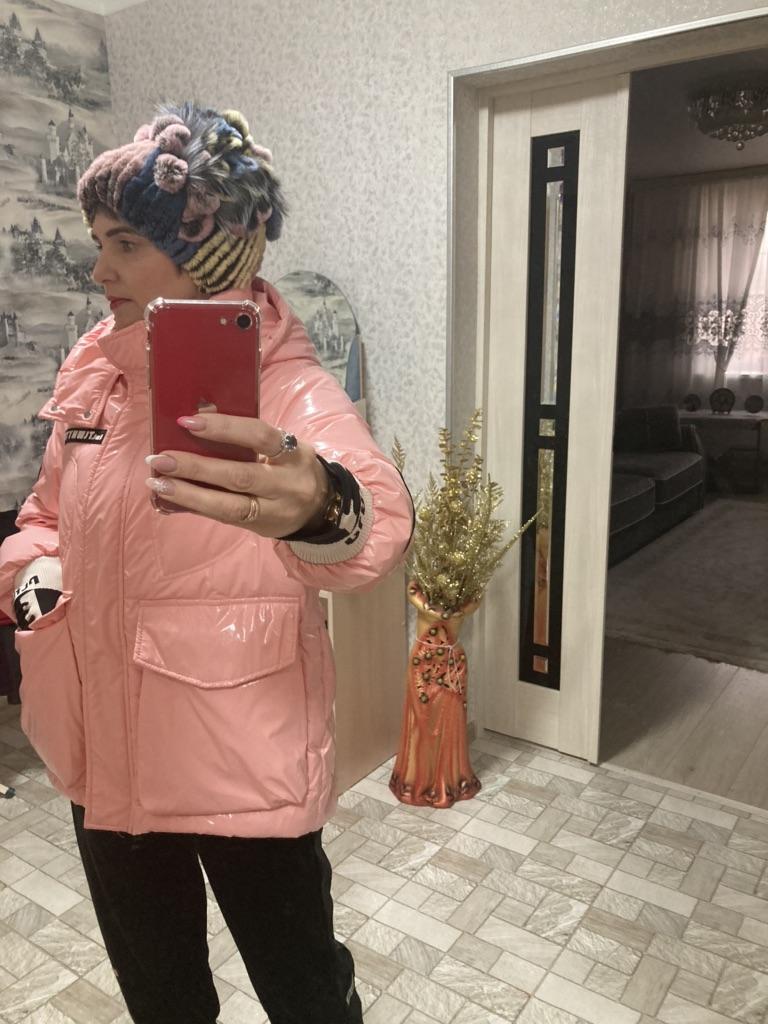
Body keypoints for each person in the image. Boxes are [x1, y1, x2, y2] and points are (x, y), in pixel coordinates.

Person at [0, 102, 413, 1024]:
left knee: (305, 993)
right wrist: (31, 580)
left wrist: (321, 505)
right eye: (97, 242)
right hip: (103, 750)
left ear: (207, 259)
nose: (99, 270)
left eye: (125, 244)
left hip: (241, 759)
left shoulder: (288, 385)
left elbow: (379, 520)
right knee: (162, 1000)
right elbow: (43, 516)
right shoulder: (94, 371)